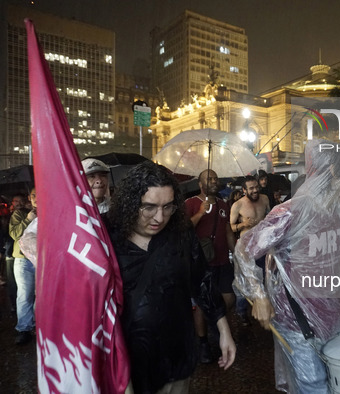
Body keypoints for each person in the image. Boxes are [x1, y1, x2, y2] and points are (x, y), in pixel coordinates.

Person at [234, 139, 340, 392]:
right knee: (314, 384)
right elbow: (244, 249)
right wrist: (259, 297)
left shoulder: (335, 210)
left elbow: (332, 254)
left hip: (331, 312)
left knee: (337, 377)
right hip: (297, 319)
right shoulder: (292, 211)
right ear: (333, 172)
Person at [105, 161, 236, 393]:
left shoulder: (181, 233)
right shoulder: (105, 234)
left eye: (168, 207)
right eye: (149, 207)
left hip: (176, 355)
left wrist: (224, 329)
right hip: (124, 363)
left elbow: (202, 279)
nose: (159, 217)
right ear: (130, 202)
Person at [185, 169, 236, 363]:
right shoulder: (191, 203)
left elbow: (228, 231)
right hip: (201, 264)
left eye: (215, 178)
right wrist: (200, 212)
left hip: (222, 261)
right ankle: (203, 342)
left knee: (229, 297)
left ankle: (215, 320)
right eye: (209, 179)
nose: (214, 181)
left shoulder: (224, 204)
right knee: (201, 304)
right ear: (201, 184)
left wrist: (237, 254)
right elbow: (184, 229)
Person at [229, 175, 270, 325]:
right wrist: (243, 224)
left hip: (263, 246)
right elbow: (230, 227)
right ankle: (241, 312)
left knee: (265, 279)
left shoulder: (265, 199)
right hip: (246, 249)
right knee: (246, 281)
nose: (255, 190)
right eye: (251, 188)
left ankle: (265, 308)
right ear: (244, 190)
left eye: (256, 187)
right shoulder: (238, 205)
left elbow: (270, 216)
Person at [9, 188, 37, 345]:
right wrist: (28, 219)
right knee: (25, 295)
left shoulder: (49, 211)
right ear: (29, 198)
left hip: (43, 260)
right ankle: (24, 329)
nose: (37, 198)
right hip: (23, 260)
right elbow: (14, 234)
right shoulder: (19, 214)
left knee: (42, 296)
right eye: (34, 195)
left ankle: (41, 326)